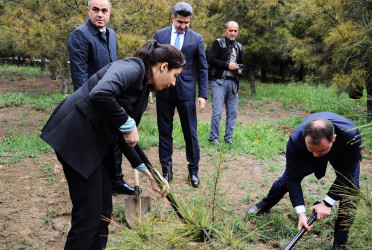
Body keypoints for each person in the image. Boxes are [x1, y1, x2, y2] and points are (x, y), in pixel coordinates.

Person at [41, 40, 185, 249]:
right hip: (76, 140)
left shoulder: (144, 88)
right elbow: (100, 93)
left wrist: (151, 174)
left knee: (103, 215)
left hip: (94, 145)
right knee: (88, 219)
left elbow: (126, 139)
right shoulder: (132, 67)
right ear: (164, 67)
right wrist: (127, 123)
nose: (173, 83)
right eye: (175, 76)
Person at [247, 112, 362, 250]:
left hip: (342, 152)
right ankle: (264, 205)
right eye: (312, 149)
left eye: (320, 151)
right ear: (305, 138)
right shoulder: (296, 140)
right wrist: (301, 214)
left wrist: (327, 203)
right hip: (311, 149)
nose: (316, 155)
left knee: (351, 191)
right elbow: (292, 178)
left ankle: (340, 242)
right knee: (286, 180)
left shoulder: (351, 136)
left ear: (334, 139)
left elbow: (347, 175)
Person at [67, 0, 135, 195]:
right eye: (95, 10)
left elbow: (116, 69)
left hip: (110, 98)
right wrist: (92, 106)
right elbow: (80, 78)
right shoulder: (80, 36)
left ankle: (116, 181)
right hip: (92, 101)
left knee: (113, 141)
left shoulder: (111, 34)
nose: (100, 14)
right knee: (95, 144)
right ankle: (97, 184)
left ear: (110, 13)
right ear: (88, 10)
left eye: (104, 10)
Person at [153, 2, 208, 188]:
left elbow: (202, 67)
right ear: (173, 18)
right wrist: (149, 89)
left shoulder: (197, 38)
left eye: (187, 22)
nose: (183, 26)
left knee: (190, 133)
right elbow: (152, 64)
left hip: (186, 93)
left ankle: (193, 171)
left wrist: (203, 95)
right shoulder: (159, 35)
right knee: (164, 132)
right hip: (164, 91)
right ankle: (166, 171)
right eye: (180, 22)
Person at [207, 21, 243, 146]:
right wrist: (227, 65)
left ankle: (228, 139)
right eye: (230, 30)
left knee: (233, 113)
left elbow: (241, 64)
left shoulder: (239, 46)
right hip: (219, 82)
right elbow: (211, 60)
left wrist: (239, 68)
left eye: (235, 31)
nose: (233, 33)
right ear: (225, 31)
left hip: (233, 83)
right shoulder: (218, 43)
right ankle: (213, 138)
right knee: (217, 112)